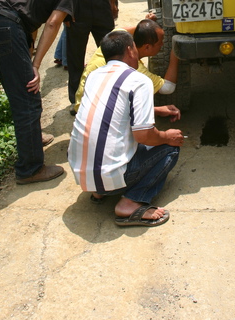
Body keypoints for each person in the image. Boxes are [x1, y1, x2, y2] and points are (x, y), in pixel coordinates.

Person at [0, 0, 99, 184]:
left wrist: (30, 53)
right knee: (28, 98)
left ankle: (32, 140)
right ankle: (30, 169)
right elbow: (53, 23)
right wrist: (35, 65)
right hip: (5, 24)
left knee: (20, 93)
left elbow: (30, 20)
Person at [68, 30, 184, 227]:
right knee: (170, 149)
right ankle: (130, 203)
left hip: (81, 174)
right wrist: (166, 136)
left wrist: (155, 110)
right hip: (110, 176)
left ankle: (99, 191)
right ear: (131, 50)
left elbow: (111, 110)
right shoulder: (139, 81)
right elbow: (144, 135)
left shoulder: (94, 75)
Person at [73, 16, 179, 113]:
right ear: (147, 47)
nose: (163, 44)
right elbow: (168, 88)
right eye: (160, 43)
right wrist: (175, 55)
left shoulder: (114, 39)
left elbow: (125, 30)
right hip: (94, 113)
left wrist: (144, 26)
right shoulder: (136, 70)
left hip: (81, 104)